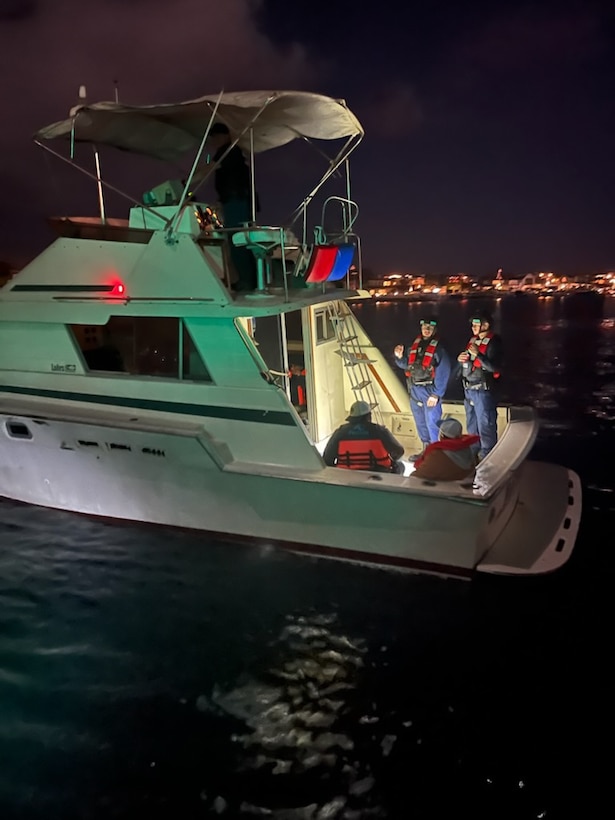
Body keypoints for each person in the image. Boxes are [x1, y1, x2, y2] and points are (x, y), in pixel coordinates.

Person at [194, 122, 257, 291]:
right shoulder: (233, 152)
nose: (213, 142)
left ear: (222, 137)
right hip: (238, 200)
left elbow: (210, 167)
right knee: (242, 239)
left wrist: (188, 182)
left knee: (237, 239)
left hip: (236, 201)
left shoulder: (228, 151)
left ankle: (247, 282)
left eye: (214, 138)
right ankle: (252, 280)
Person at [393, 315, 451, 456]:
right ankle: (426, 450)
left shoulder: (439, 349)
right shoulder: (414, 346)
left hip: (429, 389)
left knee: (432, 422)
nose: (426, 330)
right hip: (415, 390)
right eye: (424, 327)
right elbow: (407, 365)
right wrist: (399, 357)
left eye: (429, 328)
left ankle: (435, 453)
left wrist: (436, 394)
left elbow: (444, 370)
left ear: (434, 330)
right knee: (420, 422)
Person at [457, 311, 503, 461]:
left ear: (486, 325)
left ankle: (487, 457)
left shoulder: (495, 342)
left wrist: (479, 355)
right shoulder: (473, 341)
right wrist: (461, 359)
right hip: (469, 389)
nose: (473, 327)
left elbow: (494, 367)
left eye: (476, 324)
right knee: (472, 426)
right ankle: (473, 454)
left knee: (486, 426)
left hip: (483, 391)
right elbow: (468, 365)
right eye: (473, 324)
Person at [323, 400, 405, 474]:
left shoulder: (340, 433)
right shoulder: (379, 431)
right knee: (400, 465)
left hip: (346, 475)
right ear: (369, 416)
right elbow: (399, 451)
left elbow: (327, 459)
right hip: (379, 474)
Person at [412, 417, 479, 481]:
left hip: (442, 490)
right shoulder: (468, 449)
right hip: (462, 487)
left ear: (441, 435)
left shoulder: (437, 455)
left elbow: (417, 476)